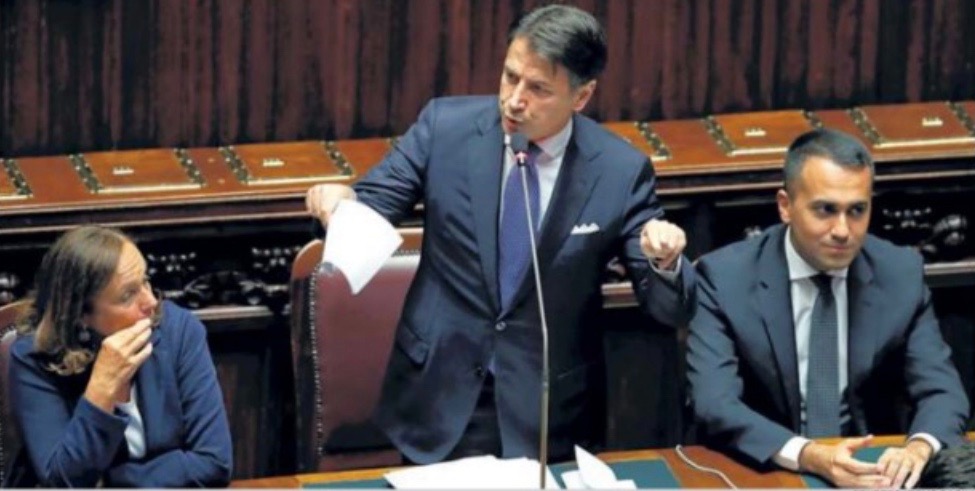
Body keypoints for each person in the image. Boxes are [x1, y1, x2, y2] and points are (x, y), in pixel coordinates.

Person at [306, 4, 695, 464]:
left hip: (547, 411)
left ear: (582, 95)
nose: (514, 100)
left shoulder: (618, 170)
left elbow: (669, 308)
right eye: (510, 77)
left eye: (538, 89)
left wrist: (665, 261)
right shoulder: (445, 129)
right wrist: (341, 203)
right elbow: (373, 203)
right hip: (440, 395)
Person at [686, 128, 969, 489]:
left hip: (870, 469)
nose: (843, 230)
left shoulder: (899, 273)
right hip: (764, 469)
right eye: (826, 210)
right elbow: (715, 403)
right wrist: (810, 455)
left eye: (857, 211)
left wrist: (918, 449)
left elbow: (942, 391)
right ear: (785, 206)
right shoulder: (725, 278)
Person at [6, 226, 232, 487]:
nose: (151, 301)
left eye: (145, 281)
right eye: (128, 295)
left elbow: (214, 462)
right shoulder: (34, 358)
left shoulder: (178, 331)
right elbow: (62, 482)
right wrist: (102, 389)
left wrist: (112, 481)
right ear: (81, 314)